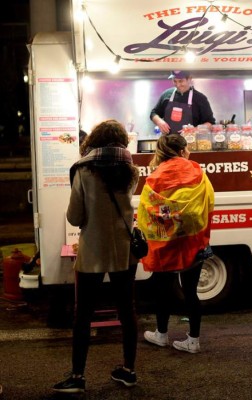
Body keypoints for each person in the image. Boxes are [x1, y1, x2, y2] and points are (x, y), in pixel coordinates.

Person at [53, 120, 140, 393]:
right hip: (124, 250)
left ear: (95, 140)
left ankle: (77, 376)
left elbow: (75, 216)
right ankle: (128, 370)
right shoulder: (130, 171)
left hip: (92, 250)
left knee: (83, 315)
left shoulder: (83, 171)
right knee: (127, 311)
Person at [137, 134, 214, 354]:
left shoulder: (155, 177)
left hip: (166, 243)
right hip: (193, 240)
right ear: (181, 151)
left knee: (163, 290)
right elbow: (209, 201)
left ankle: (161, 334)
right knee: (190, 291)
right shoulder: (198, 172)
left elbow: (146, 211)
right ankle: (193, 340)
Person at [150, 70, 216, 135]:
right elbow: (153, 113)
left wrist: (195, 129)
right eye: (174, 81)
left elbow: (210, 123)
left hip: (190, 142)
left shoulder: (200, 98)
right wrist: (159, 121)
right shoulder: (166, 94)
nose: (178, 85)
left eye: (181, 81)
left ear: (189, 79)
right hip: (168, 143)